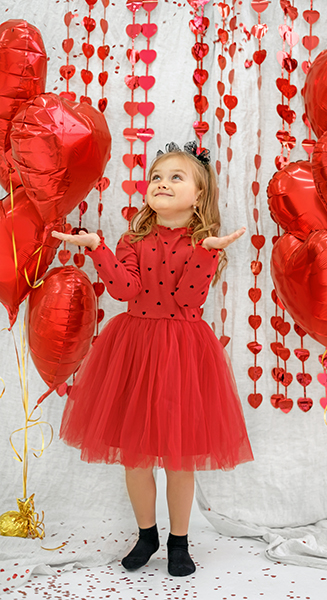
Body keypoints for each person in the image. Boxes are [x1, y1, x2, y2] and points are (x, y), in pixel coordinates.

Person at [52, 141, 254, 578]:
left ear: (198, 196)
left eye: (175, 177)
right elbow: (124, 291)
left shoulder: (204, 242)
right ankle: (147, 535)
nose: (162, 184)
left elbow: (187, 298)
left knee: (180, 458)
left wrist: (207, 251)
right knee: (137, 457)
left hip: (182, 351)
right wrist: (97, 247)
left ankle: (179, 542)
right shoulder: (133, 238)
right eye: (157, 177)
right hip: (134, 348)